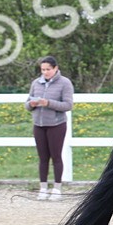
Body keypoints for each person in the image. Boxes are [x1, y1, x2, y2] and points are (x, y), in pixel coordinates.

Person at [25, 56, 74, 201]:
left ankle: (57, 188)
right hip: (38, 125)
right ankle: (43, 188)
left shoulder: (65, 83)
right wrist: (31, 105)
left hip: (56, 125)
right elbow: (27, 103)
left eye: (48, 69)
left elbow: (68, 105)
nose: (45, 72)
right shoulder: (36, 83)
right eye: (43, 70)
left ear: (55, 68)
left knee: (56, 156)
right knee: (43, 158)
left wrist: (48, 103)